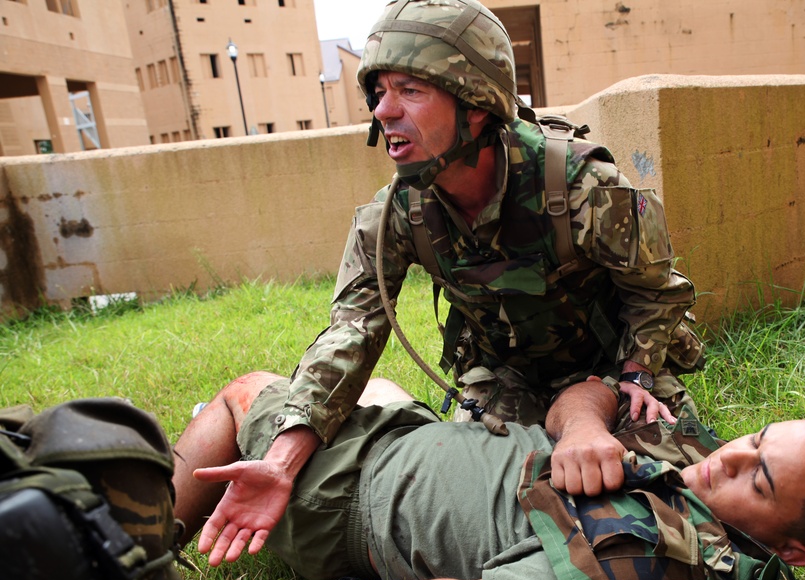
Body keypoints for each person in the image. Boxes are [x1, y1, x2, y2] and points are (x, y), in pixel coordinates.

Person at [235, 0, 707, 548]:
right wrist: (283, 458)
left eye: (410, 90)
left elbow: (658, 294)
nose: (384, 111)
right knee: (484, 500)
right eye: (379, 92)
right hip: (506, 377)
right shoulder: (395, 215)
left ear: (477, 105)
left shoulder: (581, 185)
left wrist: (636, 374)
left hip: (612, 370)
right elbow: (352, 334)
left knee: (679, 484)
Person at [172, 372, 805, 580]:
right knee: (373, 385)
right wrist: (582, 427)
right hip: (425, 443)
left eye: (758, 480)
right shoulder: (710, 477)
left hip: (361, 497)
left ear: (791, 549)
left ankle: (143, 542)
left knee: (246, 395)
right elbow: (594, 391)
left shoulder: (651, 571)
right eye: (755, 439)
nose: (727, 459)